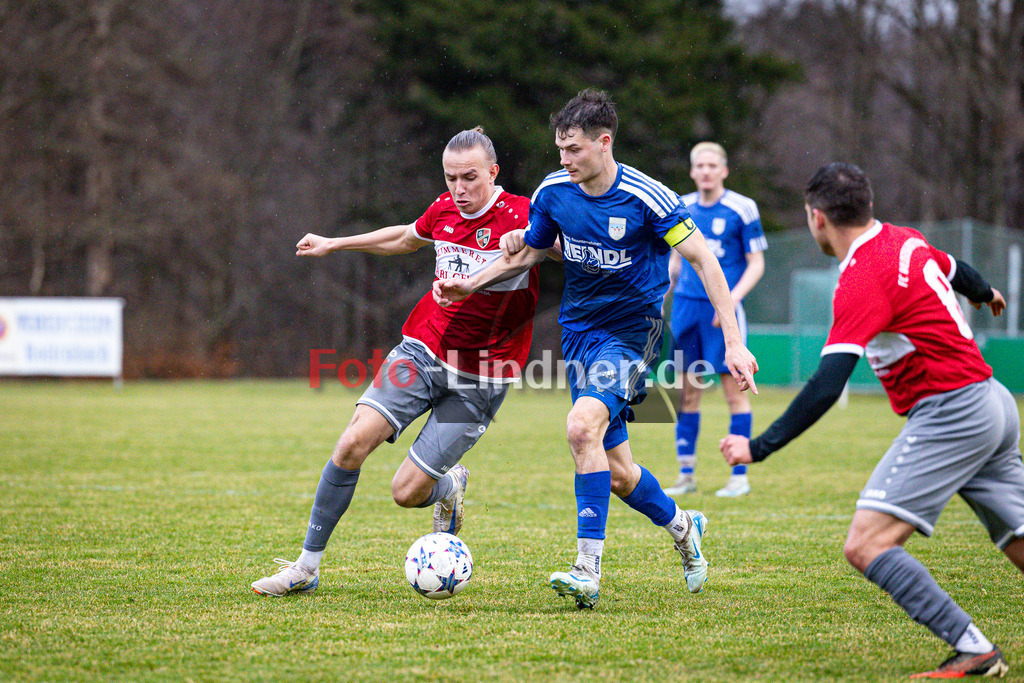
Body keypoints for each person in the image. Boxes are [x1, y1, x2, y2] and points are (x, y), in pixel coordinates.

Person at [435, 89, 759, 609]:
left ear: (604, 143)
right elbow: (531, 253)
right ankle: (684, 525)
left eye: (574, 149)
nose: (564, 159)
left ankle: (587, 570)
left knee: (581, 427)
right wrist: (472, 283)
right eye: (560, 149)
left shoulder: (649, 198)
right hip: (579, 335)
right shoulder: (554, 192)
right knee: (618, 472)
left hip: (632, 334)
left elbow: (703, 259)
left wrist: (734, 341)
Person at [720, 162, 1022, 678]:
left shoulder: (862, 277)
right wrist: (985, 291)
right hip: (994, 402)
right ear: (869, 206)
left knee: (867, 544)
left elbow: (826, 385)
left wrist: (758, 447)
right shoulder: (905, 239)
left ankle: (975, 649)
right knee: (1018, 537)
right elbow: (955, 269)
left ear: (817, 218)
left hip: (952, 413)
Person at [251, 127, 543, 596]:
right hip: (421, 351)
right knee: (351, 444)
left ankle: (449, 487)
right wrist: (334, 243)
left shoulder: (524, 214)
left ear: (493, 172)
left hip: (481, 378)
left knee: (406, 493)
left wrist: (523, 244)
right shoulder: (444, 209)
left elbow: (550, 248)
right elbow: (407, 238)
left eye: (470, 178)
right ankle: (305, 568)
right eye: (450, 178)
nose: (459, 189)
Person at [663, 142, 767, 498]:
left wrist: (732, 300)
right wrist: (662, 294)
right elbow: (676, 261)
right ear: (692, 171)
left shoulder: (742, 208)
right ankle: (686, 474)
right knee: (687, 395)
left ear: (724, 170)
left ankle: (739, 475)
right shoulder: (681, 206)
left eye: (712, 165)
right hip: (686, 310)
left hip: (722, 313)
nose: (706, 171)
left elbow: (756, 263)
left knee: (734, 393)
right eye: (700, 166)